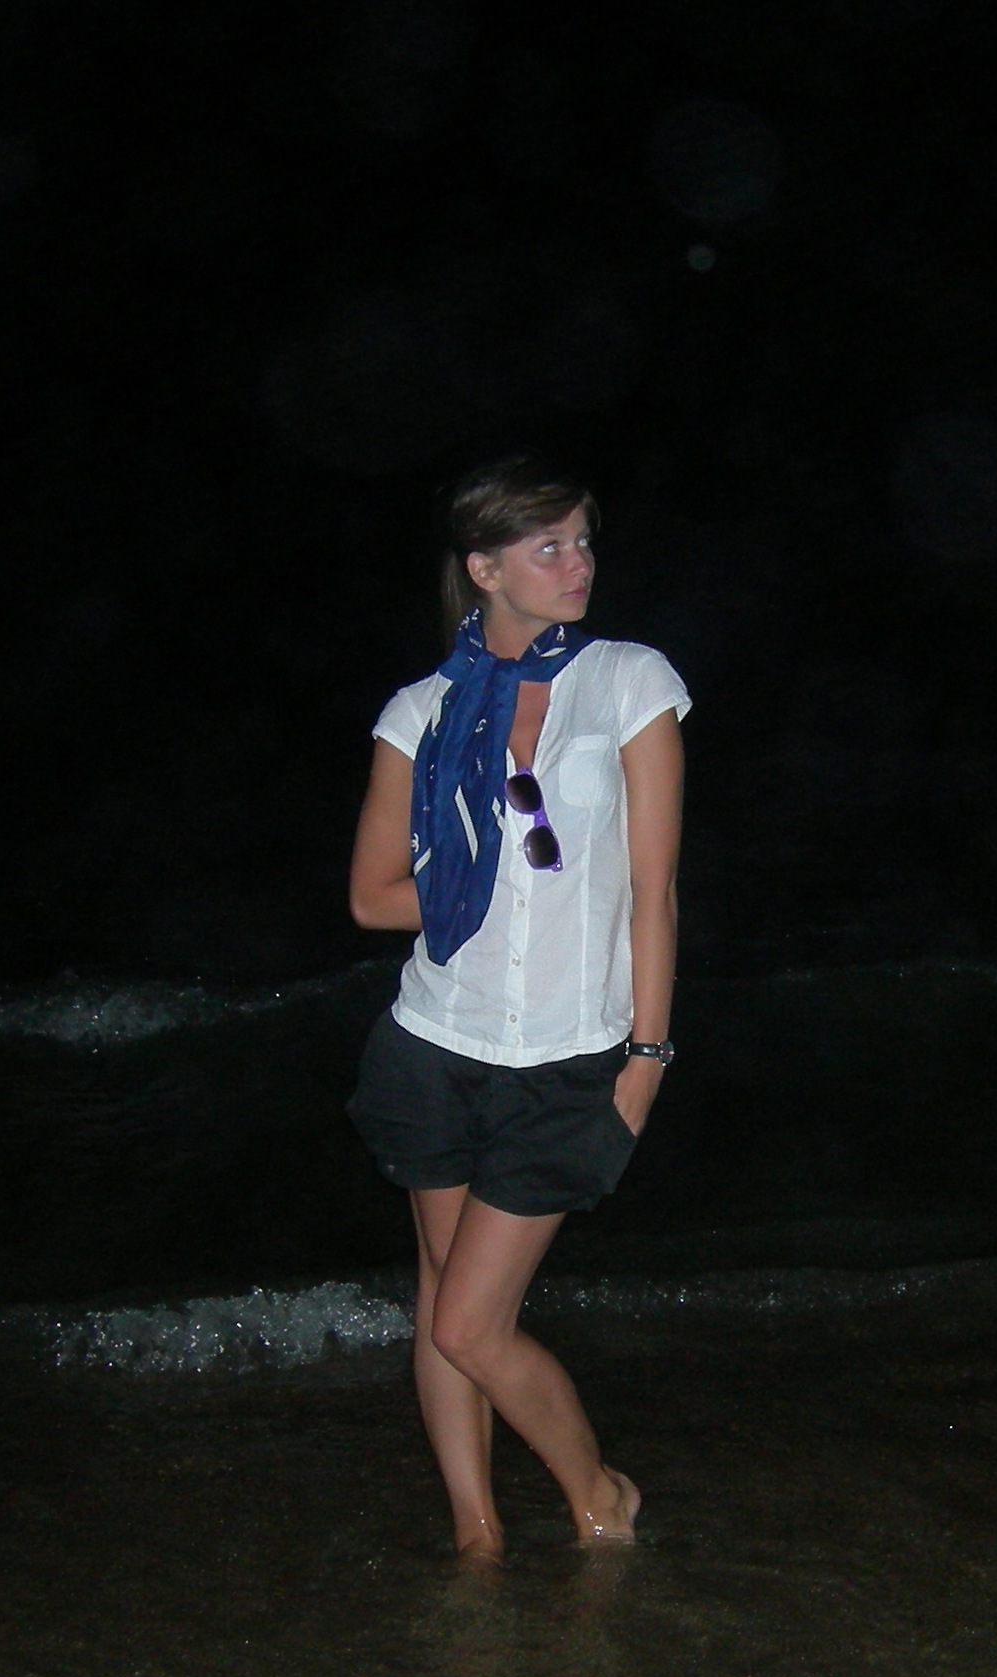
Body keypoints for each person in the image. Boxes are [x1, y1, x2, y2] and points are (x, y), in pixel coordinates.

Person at [346, 457, 686, 1560]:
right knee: (441, 1301)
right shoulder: (421, 713)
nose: (577, 564)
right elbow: (371, 898)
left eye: (583, 541)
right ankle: (477, 1535)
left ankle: (599, 1496)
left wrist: (647, 1056)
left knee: (469, 1323)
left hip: (566, 1056)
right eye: (549, 547)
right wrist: (471, 878)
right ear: (485, 569)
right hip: (435, 1044)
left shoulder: (627, 682)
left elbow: (652, 891)